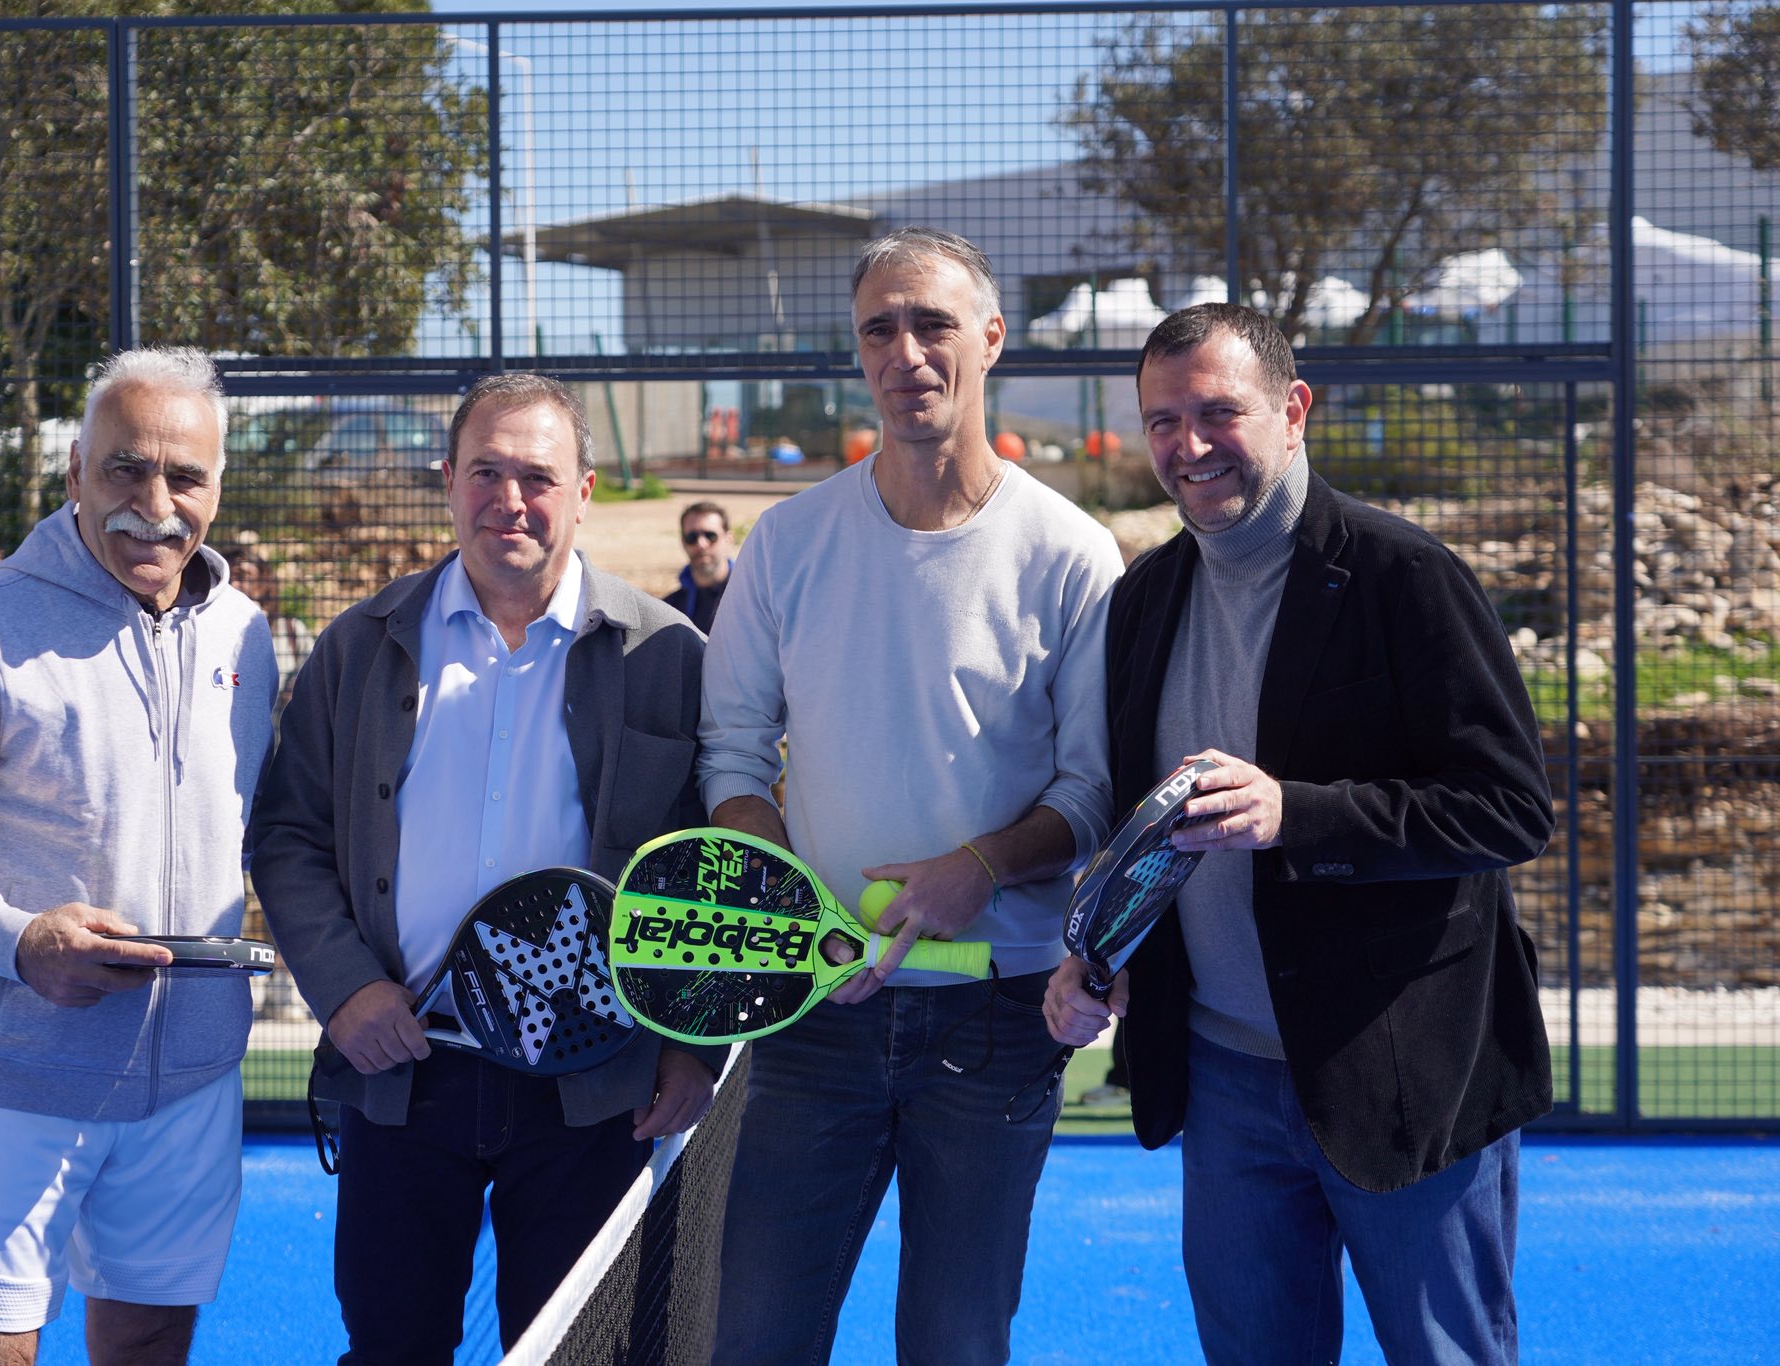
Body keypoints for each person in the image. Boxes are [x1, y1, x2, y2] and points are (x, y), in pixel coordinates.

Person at [1045, 303, 1556, 1364]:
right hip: (1221, 1078)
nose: (1188, 447)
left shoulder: (1404, 577)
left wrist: (1298, 812)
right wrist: (1096, 952)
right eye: (1161, 421)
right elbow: (1157, 830)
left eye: (1216, 412)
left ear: (1292, 409)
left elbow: (1508, 806)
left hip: (1401, 1066)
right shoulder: (1142, 598)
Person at [698, 227, 1123, 1364]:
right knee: (756, 1340)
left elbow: (1091, 791)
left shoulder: (1073, 554)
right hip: (813, 1018)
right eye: (878, 328)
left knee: (955, 1342)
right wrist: (792, 905)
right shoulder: (785, 541)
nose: (906, 351)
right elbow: (732, 756)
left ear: (988, 338)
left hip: (996, 1022)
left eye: (932, 322)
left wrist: (971, 872)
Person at [249, 372, 723, 1365]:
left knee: (576, 1353)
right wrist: (344, 992)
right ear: (449, 482)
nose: (511, 499)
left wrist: (692, 1047)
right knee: (390, 1346)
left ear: (584, 490)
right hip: (398, 1068)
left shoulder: (669, 654)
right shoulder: (361, 647)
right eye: (485, 472)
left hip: (591, 1088)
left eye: (538, 476)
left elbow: (712, 869)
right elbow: (288, 835)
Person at [0, 346, 276, 1366]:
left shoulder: (247, 634)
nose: (155, 502)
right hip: (12, 1076)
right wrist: (15, 938)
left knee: (145, 1344)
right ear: (76, 472)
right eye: (126, 468)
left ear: (216, 488)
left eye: (185, 477)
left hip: (193, 1083)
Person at [228, 545, 316, 715]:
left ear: (263, 583)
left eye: (243, 575)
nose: (233, 584)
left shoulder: (292, 631)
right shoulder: (207, 629)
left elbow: (314, 683)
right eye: (227, 577)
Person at [662, 499, 734, 633]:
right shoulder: (669, 610)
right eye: (692, 537)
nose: (701, 544)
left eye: (710, 536)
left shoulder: (752, 599)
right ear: (683, 543)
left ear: (728, 539)